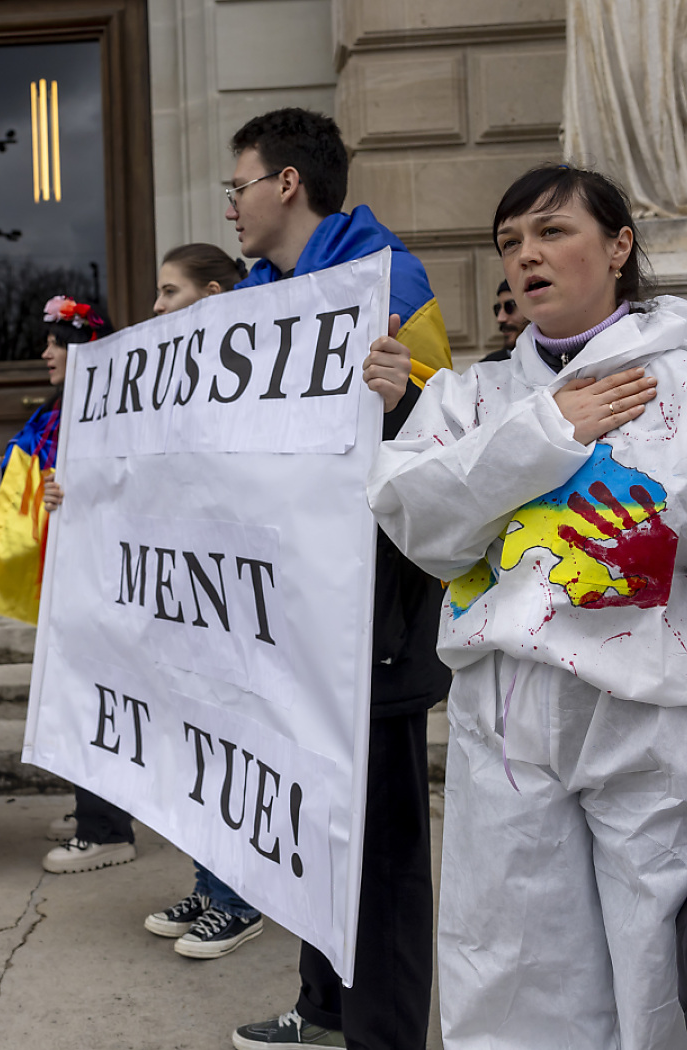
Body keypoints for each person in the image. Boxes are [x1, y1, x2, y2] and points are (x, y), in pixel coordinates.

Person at [370, 164, 687, 1050]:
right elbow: (417, 520)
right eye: (510, 243)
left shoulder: (677, 374)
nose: (526, 257)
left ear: (620, 246)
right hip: (504, 716)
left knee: (653, 957)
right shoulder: (468, 397)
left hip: (647, 709)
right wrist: (548, 433)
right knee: (506, 959)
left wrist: (523, 490)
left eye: (552, 232)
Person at [223, 108, 451, 1050]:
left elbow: (447, 447)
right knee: (314, 826)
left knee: (385, 849)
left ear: (286, 183)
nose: (230, 207)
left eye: (237, 185)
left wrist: (407, 394)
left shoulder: (388, 280)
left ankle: (384, 1037)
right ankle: (323, 1009)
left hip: (373, 623)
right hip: (291, 615)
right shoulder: (258, 295)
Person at [133, 243, 266, 959]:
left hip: (230, 601)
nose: (155, 308)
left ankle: (242, 900)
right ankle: (210, 885)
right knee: (192, 750)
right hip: (181, 600)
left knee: (230, 745)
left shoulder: (250, 383)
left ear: (213, 295)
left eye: (169, 292)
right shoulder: (168, 386)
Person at [0, 296, 136, 875]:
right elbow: (36, 460)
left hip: (97, 581)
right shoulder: (65, 406)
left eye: (57, 341)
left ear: (86, 347)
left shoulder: (107, 409)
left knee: (87, 701)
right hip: (70, 578)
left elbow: (132, 481)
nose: (46, 352)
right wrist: (3, 464)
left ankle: (106, 831)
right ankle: (97, 809)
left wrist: (79, 492)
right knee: (74, 697)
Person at [482, 278, 529, 361]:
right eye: (498, 308)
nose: (500, 318)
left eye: (509, 307)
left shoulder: (556, 365)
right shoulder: (488, 368)